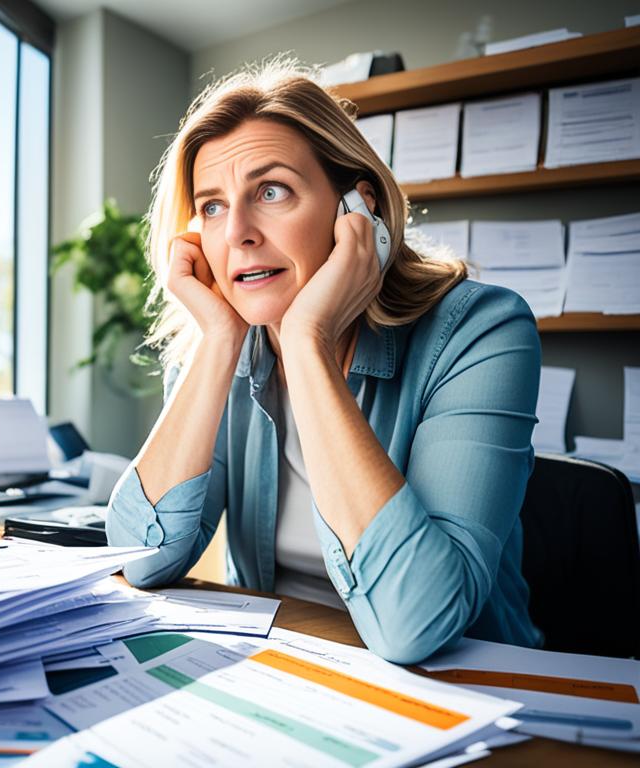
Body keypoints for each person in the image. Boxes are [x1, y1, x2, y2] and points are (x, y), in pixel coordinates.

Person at [106, 60, 543, 664]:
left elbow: (416, 623)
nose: (237, 233)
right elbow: (141, 559)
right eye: (211, 206)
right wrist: (216, 340)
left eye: (271, 191)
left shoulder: (480, 330)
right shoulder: (221, 345)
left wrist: (309, 339)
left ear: (356, 209)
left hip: (472, 693)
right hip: (281, 672)